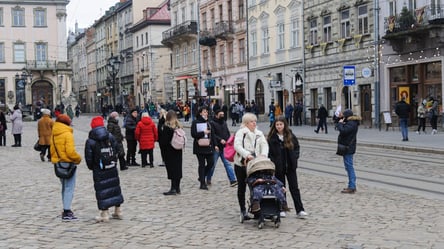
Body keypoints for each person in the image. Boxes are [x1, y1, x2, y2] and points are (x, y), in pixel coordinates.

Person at [85, 116, 124, 222]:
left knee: (102, 190)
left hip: (99, 168)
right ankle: (118, 210)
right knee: (114, 187)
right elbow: (116, 149)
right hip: (111, 166)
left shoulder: (91, 140)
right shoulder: (110, 136)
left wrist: (92, 167)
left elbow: (89, 157)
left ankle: (105, 213)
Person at [267, 116, 308, 218]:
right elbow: (269, 152)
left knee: (294, 188)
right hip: (278, 167)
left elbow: (297, 147)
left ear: (284, 125)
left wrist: (295, 157)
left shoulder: (290, 135)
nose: (279, 126)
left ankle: (300, 210)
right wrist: (273, 161)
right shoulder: (272, 138)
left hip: (290, 166)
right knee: (281, 188)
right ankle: (281, 208)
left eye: (281, 124)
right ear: (274, 126)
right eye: (277, 125)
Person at [233, 112, 269, 220]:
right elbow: (237, 145)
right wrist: (247, 155)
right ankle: (243, 210)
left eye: (255, 121)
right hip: (241, 164)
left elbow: (264, 145)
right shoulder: (241, 132)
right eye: (251, 122)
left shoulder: (259, 133)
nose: (254, 123)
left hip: (256, 164)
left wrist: (263, 155)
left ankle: (256, 209)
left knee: (256, 186)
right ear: (246, 123)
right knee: (242, 187)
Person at [50, 114, 82, 221]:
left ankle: (65, 209)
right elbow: (70, 152)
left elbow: (52, 150)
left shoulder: (54, 133)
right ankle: (67, 211)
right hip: (67, 163)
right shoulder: (67, 134)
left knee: (64, 187)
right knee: (69, 187)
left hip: (58, 164)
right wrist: (78, 159)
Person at [208, 109, 238, 187]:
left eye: (223, 114)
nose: (222, 116)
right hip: (216, 147)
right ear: (216, 115)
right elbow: (213, 135)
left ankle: (233, 180)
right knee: (212, 164)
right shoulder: (212, 123)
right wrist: (218, 141)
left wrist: (229, 141)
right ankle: (208, 178)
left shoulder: (224, 123)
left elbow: (227, 133)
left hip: (224, 148)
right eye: (220, 114)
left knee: (227, 164)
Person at [158, 110, 184, 195]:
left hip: (170, 151)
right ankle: (178, 188)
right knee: (178, 169)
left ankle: (173, 188)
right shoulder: (178, 126)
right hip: (178, 150)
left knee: (172, 169)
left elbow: (163, 141)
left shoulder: (167, 127)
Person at [335, 109, 361, 194]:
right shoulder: (350, 123)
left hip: (348, 148)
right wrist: (338, 120)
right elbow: (339, 125)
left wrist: (340, 123)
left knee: (349, 167)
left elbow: (343, 131)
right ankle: (351, 185)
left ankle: (352, 186)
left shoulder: (351, 124)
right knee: (348, 167)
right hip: (348, 147)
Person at [191, 106, 215, 190]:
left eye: (207, 112)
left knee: (211, 162)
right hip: (199, 146)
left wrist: (215, 145)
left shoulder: (209, 122)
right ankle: (202, 183)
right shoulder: (195, 122)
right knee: (201, 164)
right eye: (204, 112)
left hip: (208, 146)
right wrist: (203, 132)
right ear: (200, 113)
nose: (206, 113)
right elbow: (193, 134)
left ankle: (202, 175)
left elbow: (213, 134)